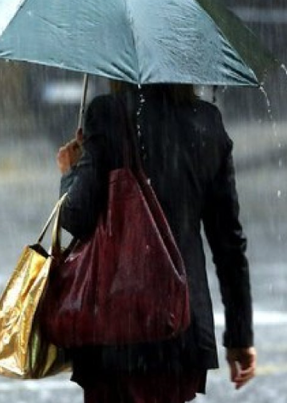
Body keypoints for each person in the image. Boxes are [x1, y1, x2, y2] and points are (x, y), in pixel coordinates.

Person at [55, 80, 257, 403]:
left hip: (114, 326)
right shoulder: (206, 122)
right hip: (179, 327)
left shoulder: (107, 115)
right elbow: (228, 244)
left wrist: (70, 172)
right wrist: (239, 335)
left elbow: (76, 216)